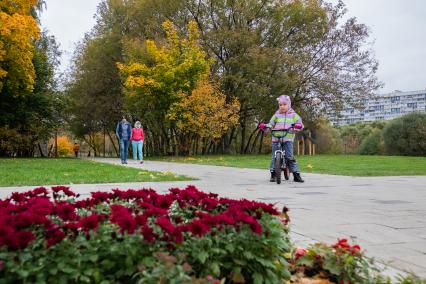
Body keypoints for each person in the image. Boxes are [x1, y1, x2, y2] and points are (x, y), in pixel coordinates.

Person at [259, 95, 305, 183]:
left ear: (289, 104)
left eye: (284, 104)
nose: (282, 106)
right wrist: (265, 127)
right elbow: (271, 124)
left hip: (288, 139)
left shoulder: (293, 115)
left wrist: (298, 126)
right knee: (274, 157)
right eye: (280, 105)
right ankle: (273, 174)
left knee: (289, 157)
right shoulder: (276, 115)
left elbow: (300, 123)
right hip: (276, 138)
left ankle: (296, 174)